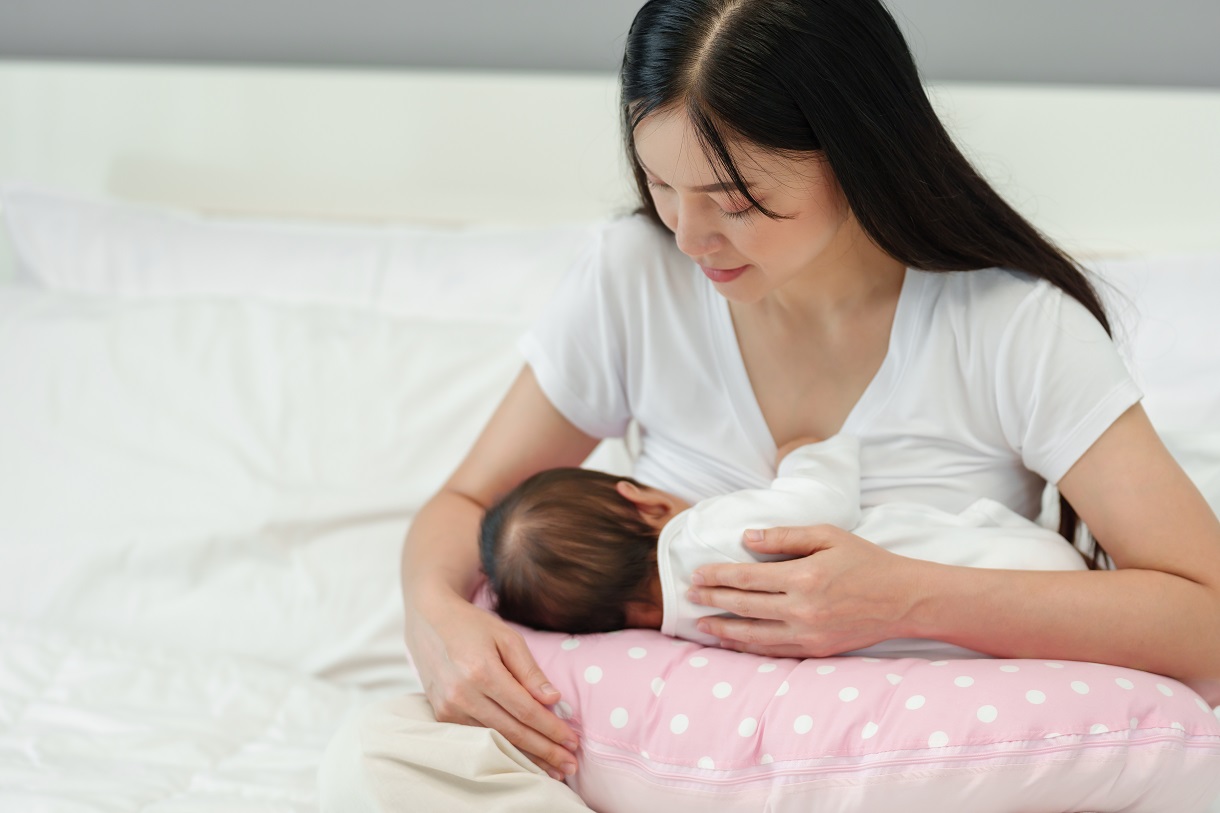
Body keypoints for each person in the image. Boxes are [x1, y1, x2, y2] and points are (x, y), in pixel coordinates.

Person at [319, 0, 1220, 809]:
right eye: (660, 186)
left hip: (890, 772)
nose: (687, 235)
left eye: (734, 201)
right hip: (641, 760)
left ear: (857, 153)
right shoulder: (637, 277)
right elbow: (467, 504)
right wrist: (436, 618)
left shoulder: (1012, 328)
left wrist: (907, 599)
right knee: (372, 764)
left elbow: (1207, 620)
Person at [480, 435, 1085, 659]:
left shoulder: (695, 633)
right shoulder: (704, 534)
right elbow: (819, 502)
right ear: (644, 502)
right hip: (1023, 567)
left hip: (969, 652)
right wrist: (809, 449)